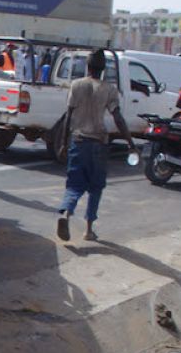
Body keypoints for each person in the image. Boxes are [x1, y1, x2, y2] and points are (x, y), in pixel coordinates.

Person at [55, 49, 136, 242]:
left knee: (74, 184)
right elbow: (118, 118)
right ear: (102, 70)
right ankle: (88, 230)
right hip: (99, 142)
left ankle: (65, 213)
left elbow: (68, 116)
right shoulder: (109, 89)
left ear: (87, 67)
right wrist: (131, 143)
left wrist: (64, 143)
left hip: (78, 140)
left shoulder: (76, 85)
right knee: (96, 187)